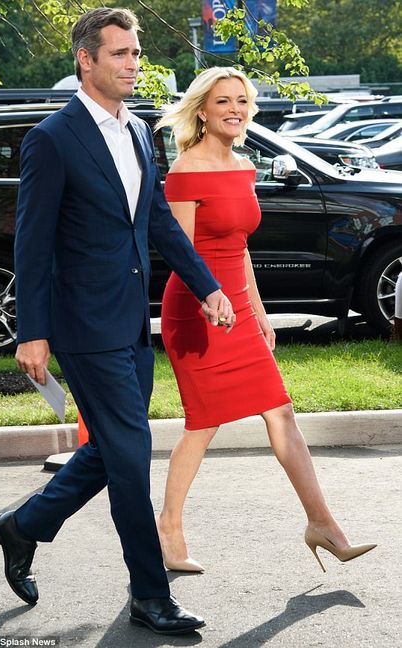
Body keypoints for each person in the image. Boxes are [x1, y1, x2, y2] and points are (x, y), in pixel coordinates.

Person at [0, 9, 236, 636]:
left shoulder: (136, 134)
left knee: (110, 450)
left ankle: (22, 527)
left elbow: (153, 220)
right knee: (130, 455)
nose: (133, 64)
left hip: (130, 322)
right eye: (121, 54)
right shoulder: (53, 137)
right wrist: (32, 330)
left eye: (135, 53)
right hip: (82, 327)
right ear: (87, 60)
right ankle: (150, 595)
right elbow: (32, 243)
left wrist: (207, 286)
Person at [155, 67, 376, 574]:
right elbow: (182, 254)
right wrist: (214, 301)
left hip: (238, 305)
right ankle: (169, 525)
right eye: (223, 101)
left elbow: (241, 248)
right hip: (198, 310)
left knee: (281, 412)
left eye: (241, 100)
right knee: (204, 424)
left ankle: (322, 524)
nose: (235, 108)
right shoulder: (186, 170)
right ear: (202, 112)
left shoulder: (243, 164)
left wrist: (258, 311)